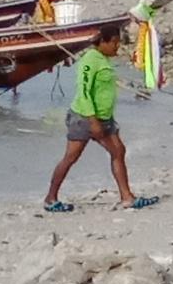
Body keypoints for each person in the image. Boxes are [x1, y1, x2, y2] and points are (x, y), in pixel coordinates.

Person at [43, 13, 147, 211]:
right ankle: (50, 198)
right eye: (114, 43)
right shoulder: (90, 60)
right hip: (84, 118)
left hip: (105, 118)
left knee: (118, 150)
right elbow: (84, 92)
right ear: (103, 42)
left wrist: (106, 118)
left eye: (119, 42)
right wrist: (93, 122)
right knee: (71, 157)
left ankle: (127, 197)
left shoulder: (104, 60)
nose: (117, 47)